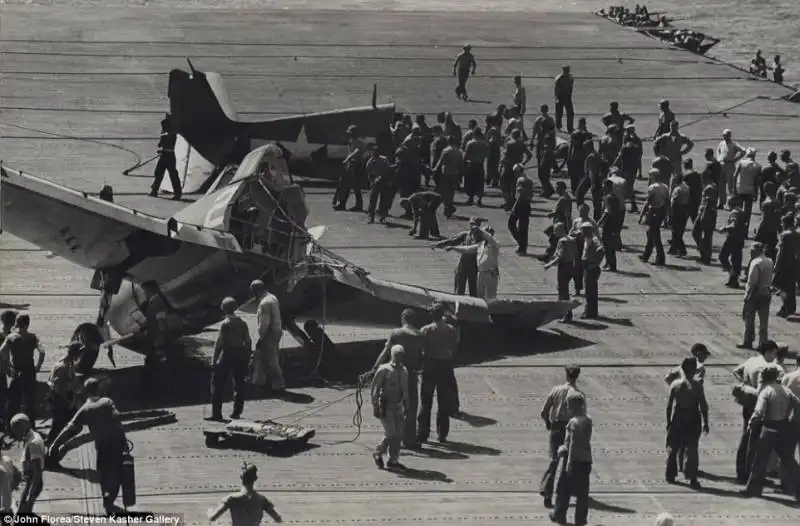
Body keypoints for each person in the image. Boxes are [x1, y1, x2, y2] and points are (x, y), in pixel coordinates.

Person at [49, 378, 128, 514]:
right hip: (115, 445)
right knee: (116, 473)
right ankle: (110, 500)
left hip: (101, 447)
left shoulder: (85, 409)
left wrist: (55, 444)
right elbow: (117, 422)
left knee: (103, 474)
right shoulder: (108, 402)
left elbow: (69, 428)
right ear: (98, 389)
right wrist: (124, 441)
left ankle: (106, 498)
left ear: (86, 392)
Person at [743, 364, 800, 501]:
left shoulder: (766, 391)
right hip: (784, 427)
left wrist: (751, 424)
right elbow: (798, 404)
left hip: (769, 428)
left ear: (764, 377)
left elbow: (759, 411)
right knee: (789, 460)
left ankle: (753, 489)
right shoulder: (786, 391)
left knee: (760, 460)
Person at [370, 309, 424, 449]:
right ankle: (409, 439)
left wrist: (375, 368)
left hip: (393, 373)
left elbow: (385, 352)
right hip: (411, 374)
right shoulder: (419, 335)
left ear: (403, 319)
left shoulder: (396, 333)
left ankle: (391, 435)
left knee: (391, 404)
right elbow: (422, 355)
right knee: (410, 406)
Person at [732, 340, 782, 482]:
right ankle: (751, 474)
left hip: (747, 404)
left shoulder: (751, 360)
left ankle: (741, 471)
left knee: (745, 437)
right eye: (774, 353)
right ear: (767, 352)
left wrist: (745, 385)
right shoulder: (765, 367)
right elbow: (761, 391)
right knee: (755, 442)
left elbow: (735, 371)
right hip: (759, 406)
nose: (775, 357)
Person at [539, 364, 582, 509]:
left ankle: (546, 491)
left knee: (554, 461)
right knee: (567, 464)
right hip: (570, 429)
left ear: (566, 374)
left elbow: (543, 412)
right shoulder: (578, 395)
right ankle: (562, 493)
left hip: (556, 427)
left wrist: (548, 423)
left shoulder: (555, 390)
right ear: (577, 375)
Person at [417, 304, 459, 444]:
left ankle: (423, 433)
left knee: (426, 400)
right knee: (444, 401)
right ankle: (442, 434)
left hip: (430, 365)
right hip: (445, 365)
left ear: (432, 315)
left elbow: (421, 348)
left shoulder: (425, 330)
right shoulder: (451, 329)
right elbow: (455, 344)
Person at [665, 358, 709, 489]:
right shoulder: (697, 386)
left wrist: (669, 421)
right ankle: (692, 477)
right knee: (692, 448)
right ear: (694, 370)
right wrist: (706, 422)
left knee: (673, 446)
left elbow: (669, 405)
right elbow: (703, 406)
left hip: (678, 416)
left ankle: (670, 474)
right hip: (693, 416)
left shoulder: (675, 385)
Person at [550, 393, 592, 526]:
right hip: (586, 459)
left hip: (573, 460)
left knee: (564, 489)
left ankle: (559, 515)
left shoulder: (573, 422)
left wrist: (568, 462)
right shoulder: (588, 420)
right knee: (582, 493)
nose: (567, 406)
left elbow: (572, 443)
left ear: (575, 405)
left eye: (568, 404)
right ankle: (580, 520)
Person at [208, 298, 252, 421]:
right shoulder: (243, 323)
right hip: (240, 353)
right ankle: (236, 412)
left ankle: (216, 414)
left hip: (227, 353)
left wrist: (214, 359)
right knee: (239, 383)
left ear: (223, 308)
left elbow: (220, 343)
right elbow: (248, 340)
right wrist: (248, 356)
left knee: (217, 383)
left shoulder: (225, 323)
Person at [0, 314, 45, 425]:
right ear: (28, 324)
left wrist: (8, 364)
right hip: (30, 372)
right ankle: (31, 425)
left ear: (17, 323)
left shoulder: (11, 337)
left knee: (13, 401)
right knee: (30, 401)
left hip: (17, 371)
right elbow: (42, 352)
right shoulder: (33, 337)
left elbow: (1, 352)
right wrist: (38, 366)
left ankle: (11, 426)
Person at [371, 345, 409, 469]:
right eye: (397, 355)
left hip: (398, 406)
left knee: (398, 435)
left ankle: (393, 460)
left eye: (402, 354)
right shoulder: (384, 370)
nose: (400, 357)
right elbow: (375, 389)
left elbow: (406, 391)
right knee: (390, 433)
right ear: (392, 355)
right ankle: (378, 452)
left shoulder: (404, 370)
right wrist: (375, 406)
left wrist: (406, 406)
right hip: (386, 406)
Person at [208, 463, 283, 524]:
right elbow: (278, 519)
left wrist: (209, 511)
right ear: (255, 478)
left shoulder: (231, 498)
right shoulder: (262, 499)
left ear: (241, 477)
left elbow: (212, 518)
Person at [444, 226, 500, 300]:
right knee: (480, 298)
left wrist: (480, 230)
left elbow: (489, 238)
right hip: (481, 274)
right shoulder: (480, 245)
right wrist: (453, 248)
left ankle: (492, 311)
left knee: (491, 298)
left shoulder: (494, 244)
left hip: (491, 274)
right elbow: (467, 249)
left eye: (483, 234)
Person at [250, 280, 284, 394]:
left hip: (269, 333)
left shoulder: (264, 303)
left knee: (271, 359)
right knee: (262, 357)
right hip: (277, 330)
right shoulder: (272, 297)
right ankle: (260, 382)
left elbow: (264, 323)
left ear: (256, 291)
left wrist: (261, 337)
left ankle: (278, 384)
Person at [433, 219, 482, 296]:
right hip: (463, 264)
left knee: (474, 290)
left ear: (479, 225)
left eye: (475, 224)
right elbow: (452, 241)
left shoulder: (482, 237)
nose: (473, 226)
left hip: (474, 265)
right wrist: (439, 244)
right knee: (459, 289)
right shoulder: (465, 235)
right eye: (471, 224)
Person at [47, 342, 81, 445]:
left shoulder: (70, 363)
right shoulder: (62, 366)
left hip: (66, 397)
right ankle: (52, 446)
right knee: (59, 426)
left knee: (70, 425)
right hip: (60, 399)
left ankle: (55, 444)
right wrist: (68, 402)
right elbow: (58, 388)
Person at [740, 242, 773, 350]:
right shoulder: (769, 261)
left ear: (756, 251)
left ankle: (748, 341)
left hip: (755, 293)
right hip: (766, 293)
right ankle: (763, 344)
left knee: (749, 319)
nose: (750, 252)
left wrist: (747, 295)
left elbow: (752, 281)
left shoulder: (755, 262)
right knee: (764, 321)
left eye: (752, 250)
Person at [9, 413, 44, 512]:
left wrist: (29, 496)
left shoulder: (34, 443)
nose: (15, 434)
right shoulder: (29, 437)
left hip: (31, 484)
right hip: (28, 482)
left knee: (21, 516)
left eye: (16, 431)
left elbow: (37, 473)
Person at [544, 223, 577, 321]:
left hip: (563, 267)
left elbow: (560, 256)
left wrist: (549, 265)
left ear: (560, 230)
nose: (554, 233)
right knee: (563, 289)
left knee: (563, 291)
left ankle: (566, 314)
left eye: (555, 231)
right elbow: (575, 254)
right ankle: (563, 313)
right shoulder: (572, 239)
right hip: (571, 265)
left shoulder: (562, 241)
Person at [639, 169, 669, 266]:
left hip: (654, 211)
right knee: (651, 233)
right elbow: (667, 202)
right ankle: (646, 255)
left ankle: (659, 258)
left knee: (655, 235)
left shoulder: (652, 188)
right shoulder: (665, 187)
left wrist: (641, 216)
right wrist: (666, 217)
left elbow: (648, 202)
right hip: (661, 211)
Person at [149, 115, 182, 200]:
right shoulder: (173, 134)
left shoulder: (165, 135)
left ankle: (154, 190)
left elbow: (160, 144)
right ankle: (177, 193)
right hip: (171, 155)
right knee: (173, 174)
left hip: (165, 155)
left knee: (159, 172)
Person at [774, 214, 800, 317]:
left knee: (780, 287)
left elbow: (780, 252)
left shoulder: (784, 235)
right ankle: (791, 307)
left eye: (782, 222)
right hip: (795, 263)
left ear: (785, 223)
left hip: (784, 264)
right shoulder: (797, 234)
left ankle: (786, 307)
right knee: (791, 287)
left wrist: (776, 266)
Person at [337, 125, 366, 211]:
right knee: (345, 185)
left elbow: (356, 152)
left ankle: (358, 205)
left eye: (351, 133)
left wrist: (347, 159)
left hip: (356, 165)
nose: (349, 135)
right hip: (350, 165)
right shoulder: (351, 141)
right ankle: (342, 204)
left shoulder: (360, 142)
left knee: (356, 187)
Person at [692, 170, 719, 264]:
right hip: (709, 213)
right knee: (707, 236)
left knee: (696, 233)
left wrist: (703, 215)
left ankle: (705, 254)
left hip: (706, 214)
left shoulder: (709, 188)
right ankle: (706, 255)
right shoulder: (713, 186)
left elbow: (708, 203)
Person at [716, 129, 746, 208]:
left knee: (731, 186)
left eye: (726, 135)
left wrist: (735, 159)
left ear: (730, 136)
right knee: (721, 185)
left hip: (730, 165)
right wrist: (719, 159)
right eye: (724, 135)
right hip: (721, 165)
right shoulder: (721, 143)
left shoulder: (734, 144)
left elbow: (743, 151)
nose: (724, 137)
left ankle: (731, 203)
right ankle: (721, 203)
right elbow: (718, 151)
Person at [580, 223, 604, 319]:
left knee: (591, 292)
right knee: (588, 291)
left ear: (587, 230)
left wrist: (596, 264)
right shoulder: (587, 238)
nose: (581, 231)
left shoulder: (594, 239)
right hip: (587, 267)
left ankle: (590, 313)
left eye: (583, 230)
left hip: (591, 268)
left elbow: (601, 250)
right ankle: (589, 311)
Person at [598, 179, 622, 272]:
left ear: (608, 187)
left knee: (607, 245)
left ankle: (611, 265)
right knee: (608, 245)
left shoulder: (609, 198)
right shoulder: (613, 197)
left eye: (604, 186)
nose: (602, 188)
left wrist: (599, 222)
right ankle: (608, 263)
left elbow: (607, 213)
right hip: (613, 223)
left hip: (608, 223)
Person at [463, 128, 488, 206]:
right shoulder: (484, 144)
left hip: (471, 164)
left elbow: (466, 155)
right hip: (480, 164)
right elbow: (487, 155)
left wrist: (463, 163)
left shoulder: (470, 143)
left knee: (470, 182)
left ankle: (470, 198)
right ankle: (479, 199)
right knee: (479, 182)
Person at [567, 118, 592, 193]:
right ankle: (578, 190)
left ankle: (575, 190)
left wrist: (569, 157)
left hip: (576, 156)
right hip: (581, 156)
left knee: (575, 174)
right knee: (580, 174)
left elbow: (571, 146)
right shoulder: (586, 134)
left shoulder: (576, 133)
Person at [668, 172, 690, 256]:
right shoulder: (686, 187)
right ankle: (675, 249)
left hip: (677, 210)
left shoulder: (677, 189)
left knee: (675, 231)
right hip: (684, 210)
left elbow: (674, 201)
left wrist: (670, 213)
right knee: (679, 231)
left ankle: (680, 249)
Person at [553, 65, 575, 133]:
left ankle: (570, 127)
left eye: (568, 70)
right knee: (559, 113)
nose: (567, 71)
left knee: (570, 113)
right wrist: (556, 98)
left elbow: (571, 87)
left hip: (567, 97)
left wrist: (570, 95)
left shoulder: (570, 77)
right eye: (566, 70)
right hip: (560, 97)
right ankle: (558, 126)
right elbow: (556, 88)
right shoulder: (559, 78)